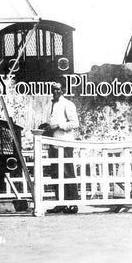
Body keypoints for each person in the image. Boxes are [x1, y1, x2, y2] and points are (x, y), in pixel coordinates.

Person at [44, 82, 79, 213]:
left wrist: (59, 125)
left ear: (62, 90)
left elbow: (75, 123)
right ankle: (60, 202)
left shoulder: (68, 104)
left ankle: (73, 203)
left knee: (67, 172)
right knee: (55, 172)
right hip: (53, 143)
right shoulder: (51, 105)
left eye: (58, 89)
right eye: (53, 90)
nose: (55, 92)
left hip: (65, 143)